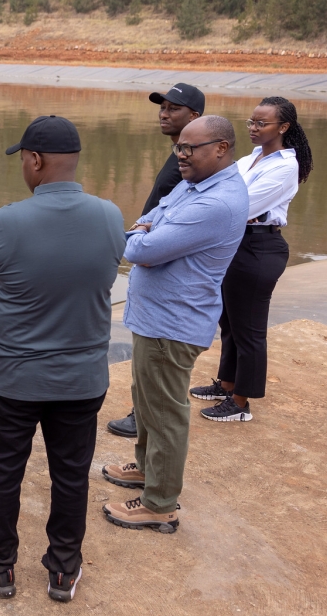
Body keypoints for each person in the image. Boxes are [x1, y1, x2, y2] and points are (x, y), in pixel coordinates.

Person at [0, 116, 125, 603]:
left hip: (12, 379)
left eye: (23, 160)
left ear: (34, 160)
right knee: (71, 474)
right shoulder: (110, 216)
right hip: (82, 379)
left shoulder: (5, 221)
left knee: (3, 472)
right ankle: (63, 570)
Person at [101, 116, 248, 532]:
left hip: (172, 323)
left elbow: (142, 249)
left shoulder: (216, 203)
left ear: (221, 148)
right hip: (156, 318)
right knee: (148, 400)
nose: (180, 156)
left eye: (189, 149)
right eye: (178, 148)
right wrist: (146, 232)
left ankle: (159, 503)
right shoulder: (195, 183)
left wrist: (144, 236)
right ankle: (148, 468)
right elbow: (149, 221)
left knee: (164, 411)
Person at [191, 97, 315, 422]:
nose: (253, 128)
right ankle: (227, 384)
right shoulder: (253, 157)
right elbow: (220, 187)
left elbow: (241, 204)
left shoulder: (285, 167)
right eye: (251, 122)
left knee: (249, 330)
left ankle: (240, 403)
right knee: (230, 322)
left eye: (262, 123)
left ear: (283, 127)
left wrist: (222, 205)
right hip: (237, 243)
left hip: (259, 247)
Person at [107, 83, 206, 439]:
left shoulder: (191, 163)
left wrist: (145, 239)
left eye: (173, 108)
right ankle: (144, 416)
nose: (164, 114)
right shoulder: (179, 154)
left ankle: (145, 418)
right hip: (152, 249)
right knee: (149, 352)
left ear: (194, 116)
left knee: (158, 351)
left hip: (161, 258)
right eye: (162, 108)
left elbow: (180, 217)